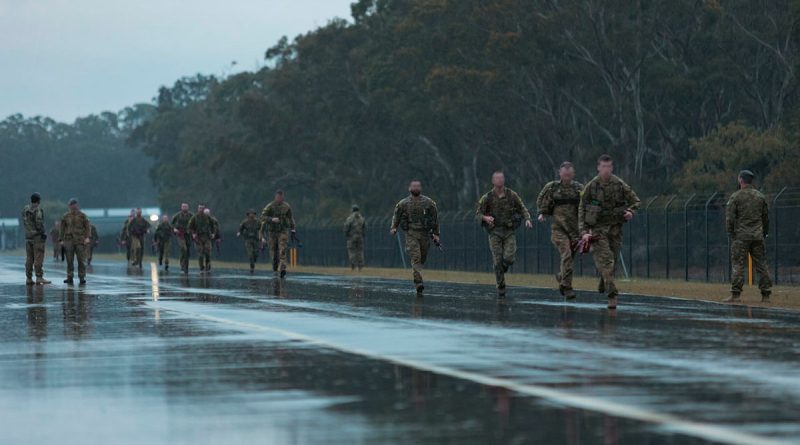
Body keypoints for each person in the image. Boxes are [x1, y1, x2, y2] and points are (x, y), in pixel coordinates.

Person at [578, 154, 641, 309]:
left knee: (613, 264)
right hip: (599, 230)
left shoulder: (619, 184)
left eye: (609, 167)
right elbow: (582, 208)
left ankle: (603, 279)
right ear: (598, 167)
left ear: (612, 168)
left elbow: (636, 201)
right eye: (603, 167)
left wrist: (631, 212)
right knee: (607, 261)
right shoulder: (591, 186)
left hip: (616, 229)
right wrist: (584, 231)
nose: (606, 170)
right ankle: (612, 295)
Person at [476, 172, 533, 297]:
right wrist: (485, 218)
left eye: (501, 178)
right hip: (494, 232)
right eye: (497, 178)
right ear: (493, 181)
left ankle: (504, 267)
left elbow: (522, 208)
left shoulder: (512, 195)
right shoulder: (487, 197)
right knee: (497, 261)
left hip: (509, 231)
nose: (500, 180)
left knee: (509, 258)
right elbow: (478, 214)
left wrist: (527, 219)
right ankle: (500, 285)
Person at [723, 170, 772, 303]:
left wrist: (731, 233)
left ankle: (736, 295)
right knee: (761, 264)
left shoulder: (736, 197)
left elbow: (730, 219)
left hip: (741, 236)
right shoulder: (760, 196)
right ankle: (766, 295)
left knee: (738, 265)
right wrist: (764, 232)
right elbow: (766, 218)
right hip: (757, 235)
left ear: (740, 180)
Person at [536, 162, 584, 299]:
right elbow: (541, 200)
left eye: (569, 173)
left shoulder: (579, 189)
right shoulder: (552, 187)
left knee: (568, 259)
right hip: (558, 229)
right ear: (560, 173)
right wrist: (542, 213)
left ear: (573, 174)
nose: (567, 176)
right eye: (564, 173)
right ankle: (567, 287)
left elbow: (587, 205)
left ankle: (561, 276)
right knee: (566, 253)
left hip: (575, 231)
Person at [390, 180, 440, 295]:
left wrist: (436, 234)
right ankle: (418, 282)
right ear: (409, 188)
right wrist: (394, 227)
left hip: (425, 234)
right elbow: (396, 215)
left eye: (418, 186)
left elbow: (435, 218)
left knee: (422, 258)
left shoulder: (429, 202)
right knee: (416, 257)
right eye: (414, 186)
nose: (416, 188)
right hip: (411, 233)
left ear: (421, 188)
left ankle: (417, 275)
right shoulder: (403, 203)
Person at [259, 190, 296, 278]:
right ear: (275, 197)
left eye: (281, 197)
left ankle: (282, 267)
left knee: (282, 248)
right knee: (273, 253)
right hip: (272, 233)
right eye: (278, 197)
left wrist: (293, 229)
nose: (279, 199)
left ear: (283, 197)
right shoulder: (270, 206)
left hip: (283, 231)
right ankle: (275, 268)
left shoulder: (286, 206)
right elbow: (262, 217)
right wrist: (271, 219)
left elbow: (290, 218)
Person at [59, 198, 91, 285]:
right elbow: (62, 228)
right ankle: (69, 277)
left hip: (80, 240)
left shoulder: (82, 216)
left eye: (74, 205)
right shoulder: (66, 216)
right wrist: (61, 239)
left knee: (81, 260)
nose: (73, 207)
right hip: (68, 240)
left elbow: (88, 227)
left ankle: (82, 277)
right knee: (69, 260)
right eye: (71, 205)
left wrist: (87, 237)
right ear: (69, 206)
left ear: (77, 205)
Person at [22, 193, 51, 285]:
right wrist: (43, 232)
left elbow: (24, 221)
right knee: (38, 257)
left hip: (28, 236)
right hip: (37, 237)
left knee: (29, 258)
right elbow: (39, 223)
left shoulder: (25, 209)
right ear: (38, 200)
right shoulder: (38, 210)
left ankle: (29, 278)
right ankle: (39, 277)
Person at [189, 206, 216, 273]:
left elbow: (213, 225)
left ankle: (207, 266)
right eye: (200, 208)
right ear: (198, 209)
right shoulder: (194, 217)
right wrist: (193, 233)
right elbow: (190, 226)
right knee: (200, 253)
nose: (201, 209)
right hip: (198, 238)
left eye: (202, 208)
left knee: (208, 252)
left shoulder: (208, 217)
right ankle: (201, 267)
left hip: (207, 237)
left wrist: (213, 233)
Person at [171, 203, 193, 273]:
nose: (184, 208)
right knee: (184, 248)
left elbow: (195, 224)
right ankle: (182, 265)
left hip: (188, 235)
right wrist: (174, 229)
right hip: (180, 234)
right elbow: (172, 224)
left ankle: (186, 266)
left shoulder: (191, 216)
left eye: (186, 207)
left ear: (188, 207)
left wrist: (194, 232)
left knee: (187, 251)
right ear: (181, 207)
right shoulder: (177, 216)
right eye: (183, 207)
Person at [343, 205, 366, 271]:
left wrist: (346, 234)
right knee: (360, 251)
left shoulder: (350, 218)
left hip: (351, 237)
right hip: (360, 236)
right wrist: (363, 235)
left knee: (351, 251)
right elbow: (364, 228)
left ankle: (353, 264)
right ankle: (360, 266)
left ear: (352, 210)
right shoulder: (362, 218)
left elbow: (346, 227)